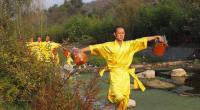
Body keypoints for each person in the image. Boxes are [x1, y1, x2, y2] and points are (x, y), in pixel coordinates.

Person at [74, 26, 164, 110]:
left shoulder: (130, 45)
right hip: (115, 75)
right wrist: (80, 50)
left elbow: (142, 40)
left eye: (123, 33)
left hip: (125, 75)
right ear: (115, 34)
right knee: (118, 96)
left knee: (124, 99)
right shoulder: (108, 46)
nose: (121, 35)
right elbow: (93, 47)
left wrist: (156, 36)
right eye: (119, 33)